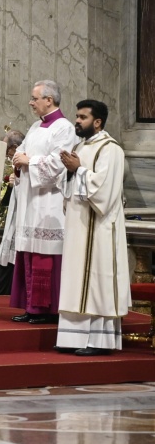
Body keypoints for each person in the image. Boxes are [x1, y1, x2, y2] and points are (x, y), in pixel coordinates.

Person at [54, 100, 130, 356]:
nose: (77, 121)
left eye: (83, 117)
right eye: (76, 116)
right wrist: (69, 173)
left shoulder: (112, 150)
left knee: (97, 280)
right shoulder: (79, 146)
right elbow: (71, 185)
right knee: (76, 279)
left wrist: (79, 170)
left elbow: (106, 192)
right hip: (78, 224)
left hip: (100, 227)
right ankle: (73, 338)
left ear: (97, 122)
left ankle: (98, 341)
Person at [10, 80, 77, 324]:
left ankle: (47, 309)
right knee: (30, 251)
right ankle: (32, 307)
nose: (30, 102)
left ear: (49, 100)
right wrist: (19, 164)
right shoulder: (35, 126)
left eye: (34, 98)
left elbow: (59, 163)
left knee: (45, 256)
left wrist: (29, 161)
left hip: (49, 203)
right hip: (31, 201)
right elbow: (21, 153)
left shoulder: (64, 128)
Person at [0, 129, 25, 294]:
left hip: (20, 222)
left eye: (7, 151)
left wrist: (17, 182)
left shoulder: (23, 161)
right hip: (7, 221)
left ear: (13, 148)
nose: (6, 156)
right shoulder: (10, 164)